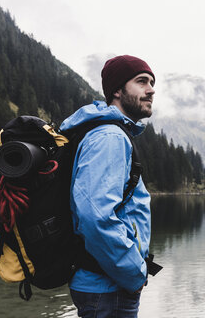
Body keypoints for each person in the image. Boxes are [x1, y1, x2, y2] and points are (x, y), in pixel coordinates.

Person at [59, 55, 156, 318]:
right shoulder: (110, 137)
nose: (151, 89)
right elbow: (95, 217)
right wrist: (134, 273)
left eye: (152, 82)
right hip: (108, 287)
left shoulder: (108, 132)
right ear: (116, 90)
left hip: (105, 282)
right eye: (141, 82)